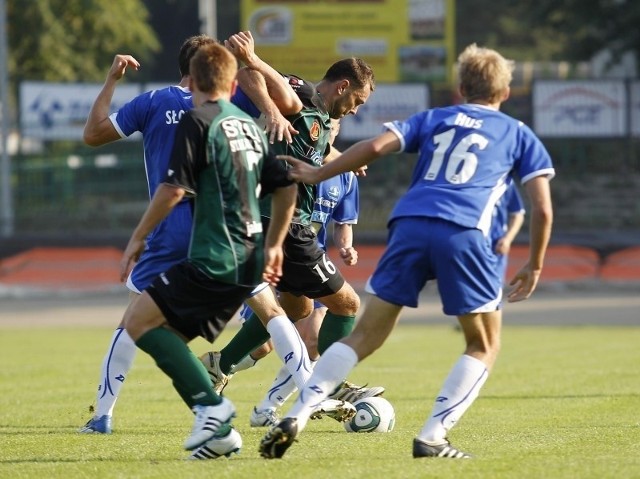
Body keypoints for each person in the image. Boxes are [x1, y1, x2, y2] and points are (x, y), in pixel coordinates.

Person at [260, 43, 555, 460]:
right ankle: (433, 436)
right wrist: (536, 264)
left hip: (410, 224)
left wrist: (320, 170)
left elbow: (377, 146)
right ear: (505, 93)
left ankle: (301, 412)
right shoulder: (518, 134)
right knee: (483, 344)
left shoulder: (435, 118)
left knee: (365, 333)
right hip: (465, 232)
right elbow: (541, 206)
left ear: (459, 87)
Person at [79, 33, 303, 437]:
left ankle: (104, 416)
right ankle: (310, 393)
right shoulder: (235, 109)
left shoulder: (152, 102)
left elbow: (93, 134)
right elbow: (291, 106)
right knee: (272, 314)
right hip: (231, 232)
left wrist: (112, 79)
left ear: (187, 70)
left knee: (135, 321)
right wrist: (253, 63)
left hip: (171, 230)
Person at [199, 52, 379, 413]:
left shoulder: (320, 120)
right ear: (343, 86)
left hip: (274, 222)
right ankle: (331, 382)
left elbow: (317, 151)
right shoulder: (302, 97)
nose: (356, 110)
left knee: (296, 306)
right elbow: (250, 73)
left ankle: (221, 363)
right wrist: (271, 110)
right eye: (358, 101)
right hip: (284, 222)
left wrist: (345, 161)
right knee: (347, 305)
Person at [491, 182, 525, 280]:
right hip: (470, 244)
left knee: (493, 290)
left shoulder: (505, 182)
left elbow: (518, 214)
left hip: (496, 246)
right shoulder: (465, 179)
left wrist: (508, 239)